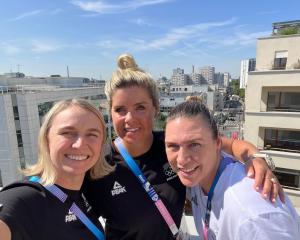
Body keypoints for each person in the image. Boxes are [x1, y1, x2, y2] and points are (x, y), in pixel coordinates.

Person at [83, 53, 284, 240]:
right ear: (110, 112)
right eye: (120, 110)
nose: (130, 119)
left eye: (140, 107)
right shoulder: (98, 163)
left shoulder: (173, 146)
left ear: (156, 108)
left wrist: (255, 159)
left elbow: (231, 145)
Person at [165, 99, 300, 239]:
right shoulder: (200, 175)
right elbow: (233, 144)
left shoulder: (250, 216)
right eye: (173, 146)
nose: (181, 159)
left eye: (194, 144)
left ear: (217, 143)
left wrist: (257, 157)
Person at [0, 99, 114, 240]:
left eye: (92, 134)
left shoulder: (86, 194)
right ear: (46, 139)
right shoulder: (24, 199)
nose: (79, 144)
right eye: (67, 133)